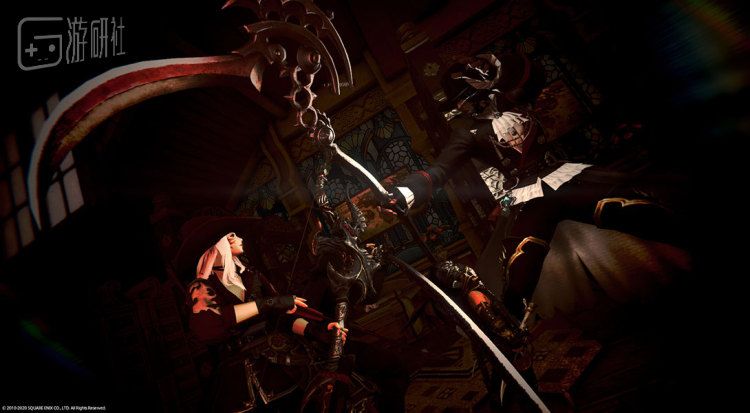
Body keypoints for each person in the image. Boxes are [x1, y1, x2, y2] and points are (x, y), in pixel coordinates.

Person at [387, 51, 684, 316]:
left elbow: (529, 70)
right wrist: (406, 191)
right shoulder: (467, 133)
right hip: (528, 194)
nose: (466, 107)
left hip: (564, 175)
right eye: (462, 102)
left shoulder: (516, 100)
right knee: (521, 264)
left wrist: (489, 67)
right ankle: (512, 327)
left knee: (631, 208)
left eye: (468, 97)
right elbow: (440, 171)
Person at [175, 216, 347, 412]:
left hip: (282, 356)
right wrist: (272, 302)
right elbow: (210, 324)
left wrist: (314, 330)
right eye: (233, 235)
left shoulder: (250, 274)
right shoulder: (202, 287)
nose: (240, 238)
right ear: (221, 243)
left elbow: (282, 316)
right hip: (242, 376)